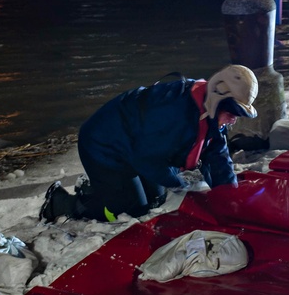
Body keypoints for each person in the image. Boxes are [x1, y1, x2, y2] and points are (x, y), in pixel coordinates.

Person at [40, 65, 258, 223]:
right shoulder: (174, 113)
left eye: (238, 114)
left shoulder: (211, 110)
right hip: (104, 145)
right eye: (232, 112)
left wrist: (229, 196)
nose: (234, 119)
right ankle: (63, 203)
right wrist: (181, 186)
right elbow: (147, 159)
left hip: (139, 143)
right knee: (131, 209)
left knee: (157, 198)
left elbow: (217, 155)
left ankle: (99, 187)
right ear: (217, 95)